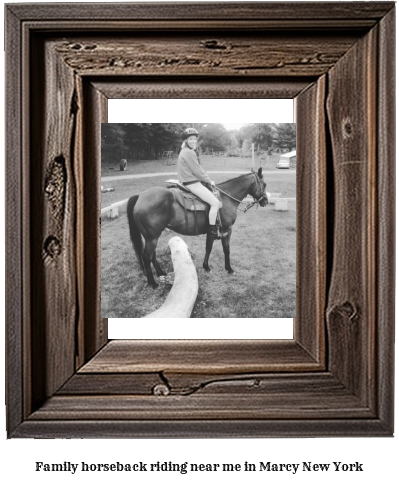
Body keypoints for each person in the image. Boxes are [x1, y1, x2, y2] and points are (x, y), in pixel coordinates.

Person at [177, 128, 222, 239]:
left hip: (189, 181)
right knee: (215, 203)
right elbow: (197, 170)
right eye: (190, 139)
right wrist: (208, 180)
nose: (193, 141)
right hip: (192, 183)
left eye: (194, 139)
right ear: (186, 141)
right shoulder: (189, 152)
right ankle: (212, 231)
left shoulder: (184, 151)